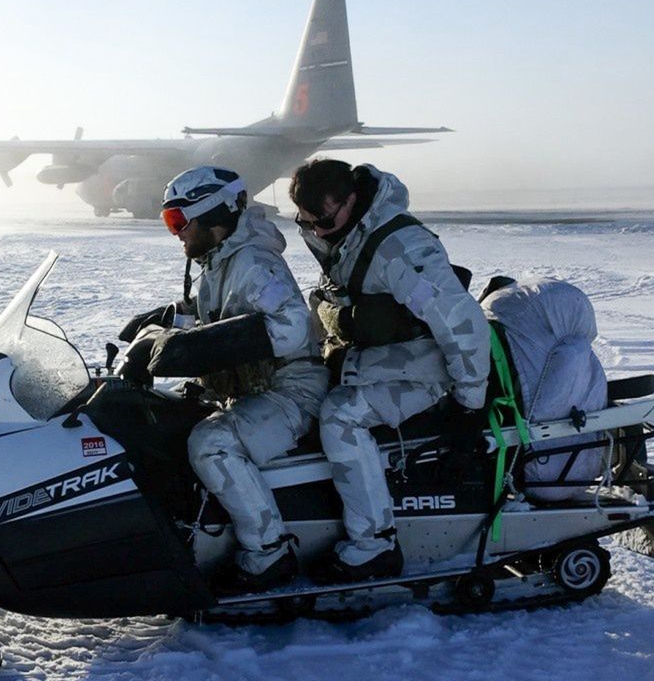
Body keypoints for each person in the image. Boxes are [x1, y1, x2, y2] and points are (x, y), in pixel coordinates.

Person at [120, 166, 328, 595]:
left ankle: (269, 553)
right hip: (250, 385)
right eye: (169, 223)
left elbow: (289, 328)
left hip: (292, 388)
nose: (174, 233)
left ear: (210, 214)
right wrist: (168, 321)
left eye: (178, 221)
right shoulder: (220, 259)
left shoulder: (254, 261)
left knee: (211, 444)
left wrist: (199, 347)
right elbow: (216, 309)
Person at [289, 159, 489, 583]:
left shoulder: (401, 249)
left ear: (352, 199)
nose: (317, 232)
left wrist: (470, 405)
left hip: (428, 371)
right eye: (306, 223)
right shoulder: (343, 233)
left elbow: (461, 324)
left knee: (342, 416)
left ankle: (375, 544)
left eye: (323, 221)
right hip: (380, 360)